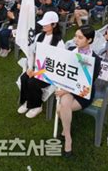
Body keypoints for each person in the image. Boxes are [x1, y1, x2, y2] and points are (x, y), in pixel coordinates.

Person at [57, 25, 102, 158]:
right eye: (75, 36)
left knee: (60, 109)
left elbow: (87, 84)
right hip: (68, 89)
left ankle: (66, 134)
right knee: (64, 104)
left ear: (89, 40)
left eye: (80, 37)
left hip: (83, 92)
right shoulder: (70, 50)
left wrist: (66, 90)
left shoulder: (95, 60)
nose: (76, 40)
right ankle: (68, 138)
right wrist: (65, 88)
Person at [18, 11, 64, 118]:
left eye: (46, 24)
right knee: (24, 78)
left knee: (32, 82)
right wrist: (30, 68)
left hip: (49, 72)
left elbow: (56, 64)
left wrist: (37, 73)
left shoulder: (59, 43)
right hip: (36, 68)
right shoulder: (39, 36)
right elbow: (32, 53)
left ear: (54, 25)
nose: (43, 25)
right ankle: (27, 101)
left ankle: (36, 106)